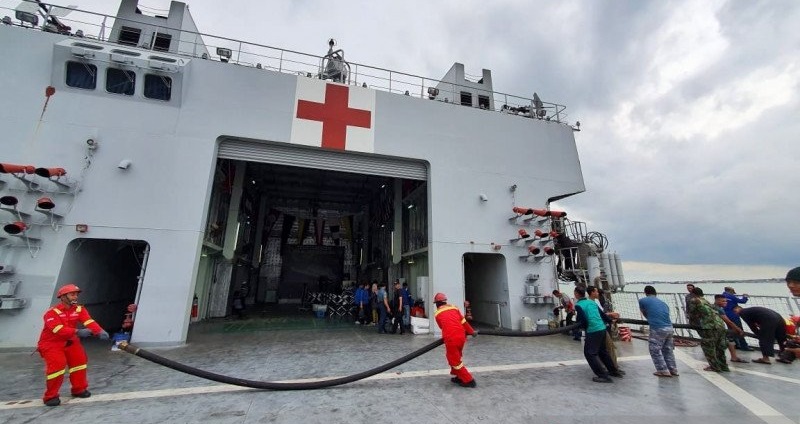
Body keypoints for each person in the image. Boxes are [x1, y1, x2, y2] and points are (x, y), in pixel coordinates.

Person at [37, 284, 109, 406]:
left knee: (79, 363)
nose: (75, 296)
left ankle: (79, 389)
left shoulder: (79, 309)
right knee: (57, 367)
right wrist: (77, 331)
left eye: (76, 294)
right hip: (51, 344)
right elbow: (56, 329)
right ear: (62, 297)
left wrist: (100, 331)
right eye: (72, 294)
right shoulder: (52, 312)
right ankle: (50, 396)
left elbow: (88, 321)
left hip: (71, 341)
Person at [574, 286, 623, 383]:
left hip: (593, 330)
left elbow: (582, 319)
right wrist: (610, 321)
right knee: (602, 351)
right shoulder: (591, 302)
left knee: (589, 353)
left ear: (576, 294)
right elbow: (602, 315)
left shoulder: (579, 305)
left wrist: (581, 327)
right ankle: (613, 371)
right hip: (602, 328)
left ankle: (603, 376)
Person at [433, 292, 477, 388]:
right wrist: (472, 331)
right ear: (445, 301)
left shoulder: (437, 313)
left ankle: (469, 380)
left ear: (437, 303)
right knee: (456, 357)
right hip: (461, 336)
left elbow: (442, 326)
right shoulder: (454, 307)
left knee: (454, 360)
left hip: (451, 338)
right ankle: (459, 376)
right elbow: (463, 321)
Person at [638, 285, 678, 377]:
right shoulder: (663, 303)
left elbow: (644, 312)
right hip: (669, 327)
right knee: (668, 350)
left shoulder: (643, 300)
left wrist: (650, 319)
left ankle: (663, 370)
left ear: (645, 293)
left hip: (658, 328)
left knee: (655, 349)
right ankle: (673, 369)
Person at [687, 287, 729, 372]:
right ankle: (723, 366)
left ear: (693, 294)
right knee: (719, 347)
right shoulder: (706, 301)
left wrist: (692, 323)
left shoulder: (694, 300)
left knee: (708, 346)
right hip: (720, 325)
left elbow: (692, 313)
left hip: (709, 326)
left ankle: (714, 367)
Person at [713, 295, 748, 364]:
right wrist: (738, 329)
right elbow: (728, 321)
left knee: (729, 339)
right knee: (720, 344)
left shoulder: (718, 308)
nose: (725, 302)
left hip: (717, 327)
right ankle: (716, 362)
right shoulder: (718, 309)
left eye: (726, 301)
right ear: (717, 301)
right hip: (713, 329)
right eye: (723, 301)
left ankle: (733, 357)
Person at [721, 286, 752, 351]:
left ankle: (736, 345)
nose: (733, 293)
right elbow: (742, 301)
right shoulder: (731, 296)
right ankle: (744, 346)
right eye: (733, 292)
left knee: (731, 330)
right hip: (734, 315)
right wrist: (745, 296)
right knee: (739, 330)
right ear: (730, 291)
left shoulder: (722, 296)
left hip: (726, 316)